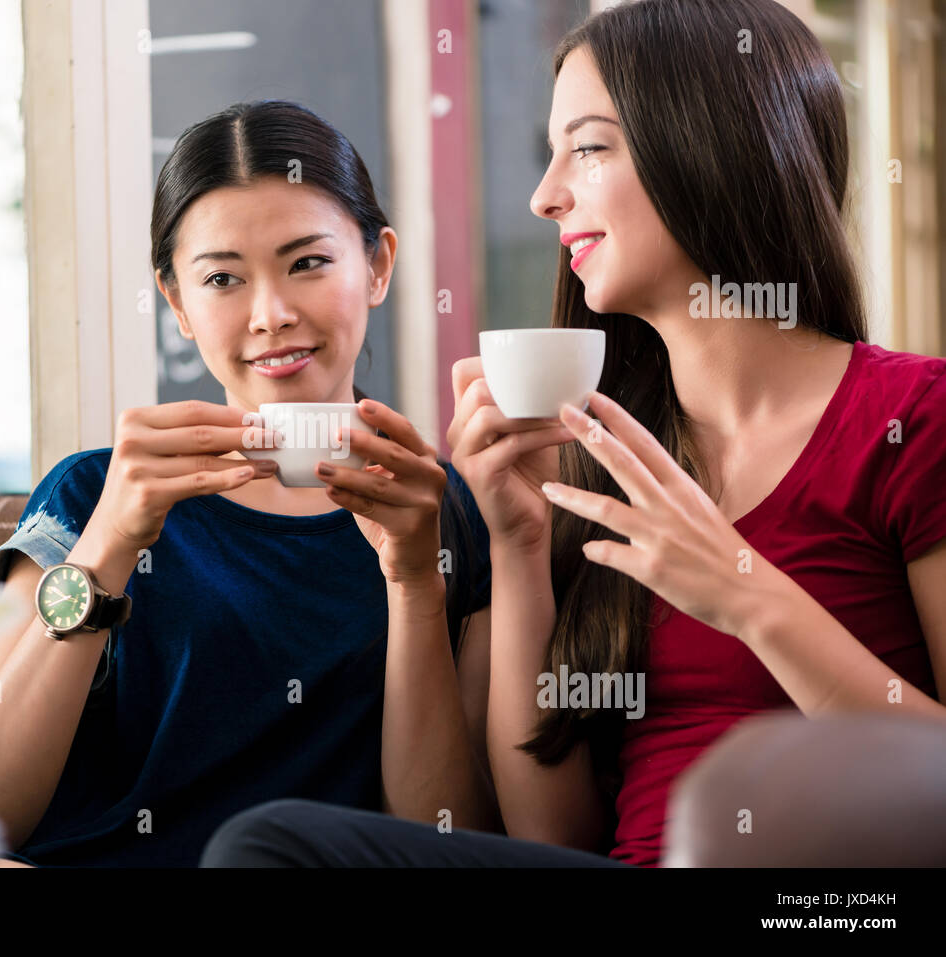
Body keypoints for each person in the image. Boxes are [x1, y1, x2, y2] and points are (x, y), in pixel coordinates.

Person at [200, 0, 946, 868]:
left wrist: (745, 597)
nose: (545, 195)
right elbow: (554, 836)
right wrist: (519, 544)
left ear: (711, 146)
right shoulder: (598, 447)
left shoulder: (912, 418)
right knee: (276, 848)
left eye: (588, 148)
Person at [0, 100, 501, 866]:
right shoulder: (94, 491)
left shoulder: (441, 508)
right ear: (177, 303)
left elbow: (442, 836)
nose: (271, 314)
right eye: (223, 279)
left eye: (308, 262)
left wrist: (412, 585)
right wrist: (107, 546)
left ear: (379, 265)